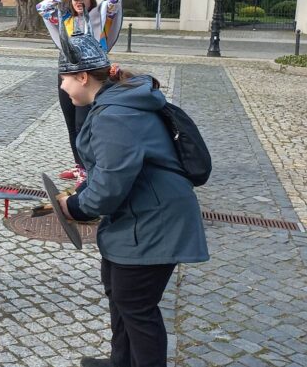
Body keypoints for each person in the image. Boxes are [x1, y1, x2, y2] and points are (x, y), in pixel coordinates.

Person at [52, 31, 208, 367]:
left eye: (64, 80)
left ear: (82, 77)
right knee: (119, 294)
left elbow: (110, 184)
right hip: (138, 218)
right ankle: (120, 361)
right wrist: (81, 192)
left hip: (155, 223)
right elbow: (110, 168)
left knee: (137, 306)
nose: (63, 88)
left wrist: (77, 206)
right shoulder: (114, 102)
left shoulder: (115, 115)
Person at [37, 0, 122, 182]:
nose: (79, 2)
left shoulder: (103, 15)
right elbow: (41, 7)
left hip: (90, 76)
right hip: (67, 73)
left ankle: (90, 168)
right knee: (71, 124)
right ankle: (80, 167)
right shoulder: (64, 18)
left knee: (84, 124)